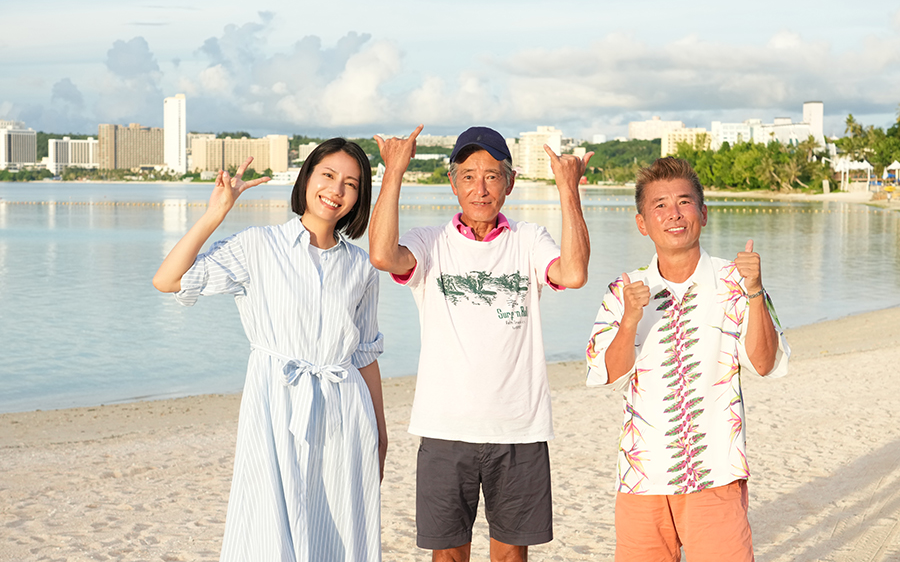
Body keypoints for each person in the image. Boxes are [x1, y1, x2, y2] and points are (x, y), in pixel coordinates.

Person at [153, 141, 387, 562]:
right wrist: (215, 213)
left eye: (351, 184)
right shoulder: (259, 245)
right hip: (274, 404)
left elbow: (365, 353)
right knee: (265, 531)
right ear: (307, 178)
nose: (337, 190)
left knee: (338, 532)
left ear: (359, 198)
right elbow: (168, 280)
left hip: (345, 411)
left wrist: (380, 434)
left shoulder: (362, 266)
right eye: (328, 176)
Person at [369, 124, 591, 562]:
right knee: (447, 555)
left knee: (511, 555)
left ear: (509, 183)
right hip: (445, 429)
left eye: (492, 175)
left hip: (519, 429)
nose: (480, 188)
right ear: (453, 183)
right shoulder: (429, 242)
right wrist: (393, 172)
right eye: (468, 175)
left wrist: (569, 190)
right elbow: (381, 255)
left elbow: (574, 273)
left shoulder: (528, 239)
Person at [585, 157, 790, 562]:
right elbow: (606, 374)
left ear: (703, 212)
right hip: (641, 480)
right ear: (642, 222)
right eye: (659, 205)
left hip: (715, 474)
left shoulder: (736, 282)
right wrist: (629, 320)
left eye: (684, 201)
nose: (673, 214)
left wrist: (755, 290)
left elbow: (766, 364)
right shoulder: (624, 288)